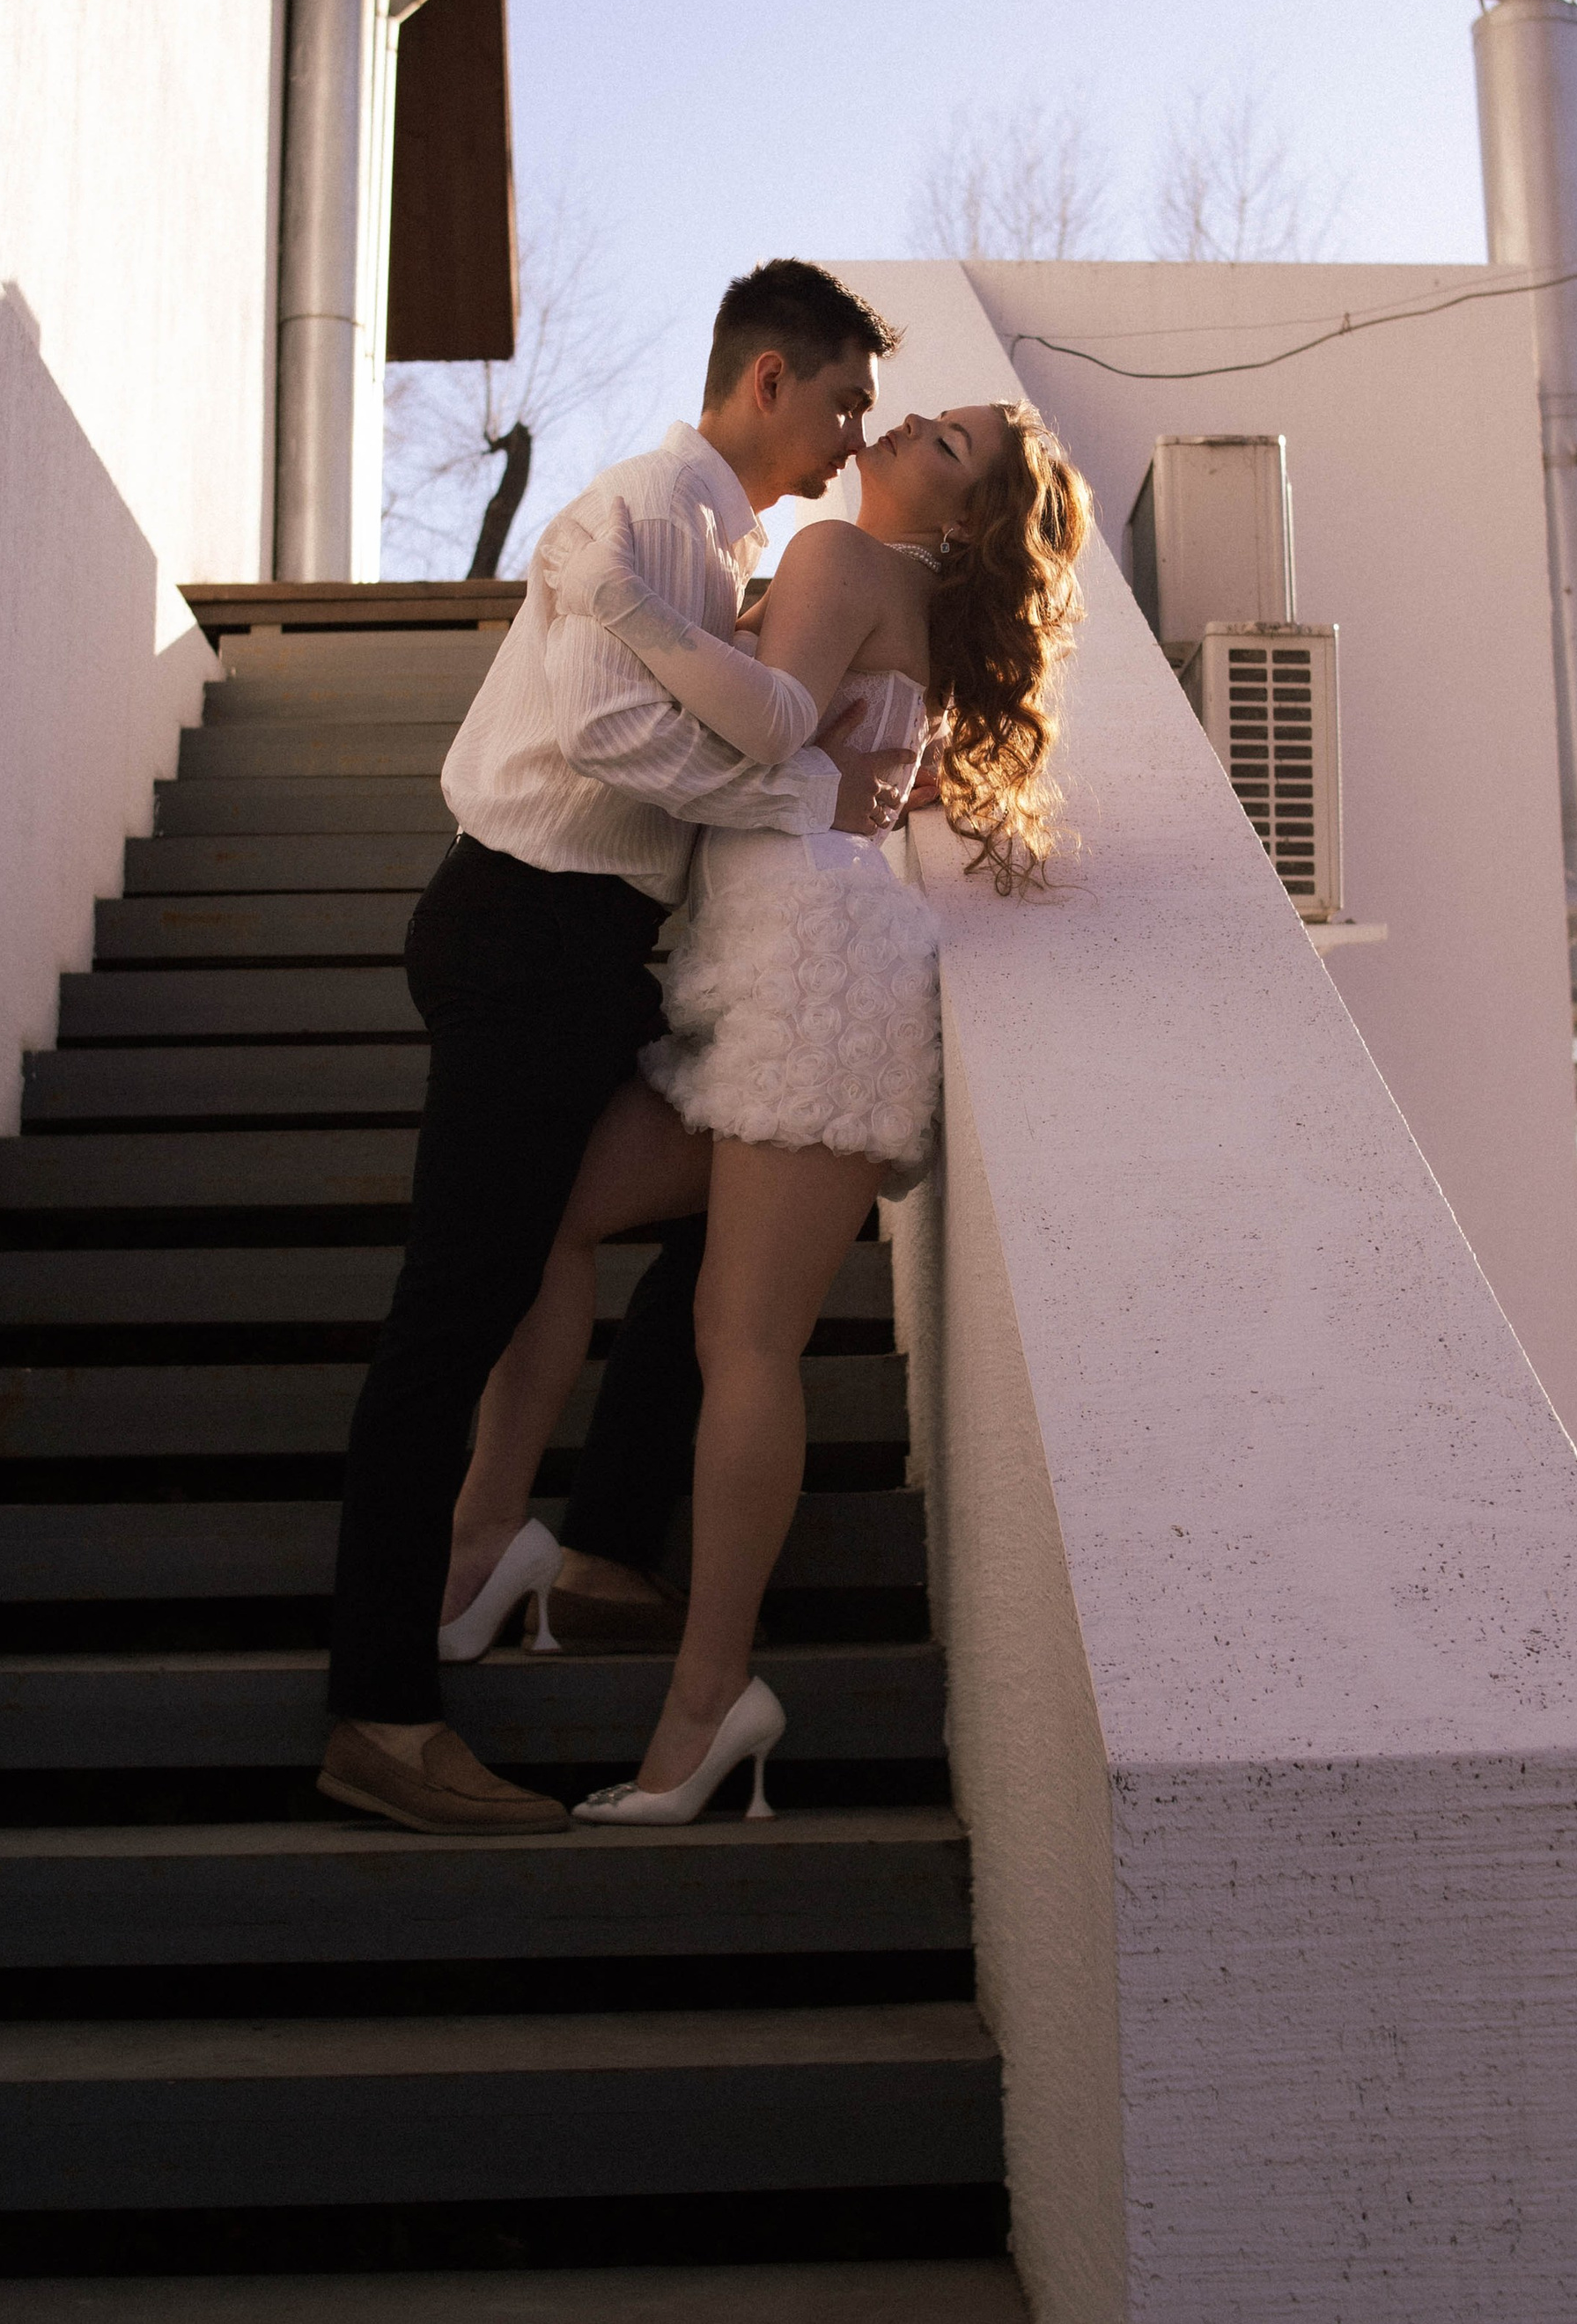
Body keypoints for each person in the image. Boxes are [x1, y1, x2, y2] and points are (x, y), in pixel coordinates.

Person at [317, 261, 911, 1836]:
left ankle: (574, 1546)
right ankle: (380, 1706)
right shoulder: (655, 505)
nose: (856, 435)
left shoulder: (719, 548)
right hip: (526, 928)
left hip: (583, 953)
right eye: (844, 398)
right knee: (450, 1316)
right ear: (767, 381)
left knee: (712, 1210)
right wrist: (789, 795)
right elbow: (606, 736)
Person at [437, 396, 1091, 1823]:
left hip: (809, 963)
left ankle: (705, 1698)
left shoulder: (840, 564)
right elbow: (790, 745)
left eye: (947, 442)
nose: (909, 421)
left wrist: (612, 595)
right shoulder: (856, 578)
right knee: (549, 1209)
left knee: (745, 1340)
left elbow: (753, 742)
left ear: (964, 518)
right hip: (765, 959)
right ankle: (492, 1538)